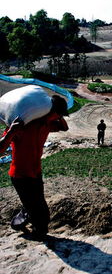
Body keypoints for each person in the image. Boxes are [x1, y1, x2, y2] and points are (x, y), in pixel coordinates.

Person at [0, 94, 69, 240]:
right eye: (59, 114)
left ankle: (20, 223)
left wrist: (58, 116)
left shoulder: (47, 124)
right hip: (20, 175)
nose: (60, 117)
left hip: (36, 172)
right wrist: (10, 132)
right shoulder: (23, 126)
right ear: (52, 112)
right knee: (40, 212)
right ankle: (38, 234)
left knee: (35, 204)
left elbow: (64, 127)